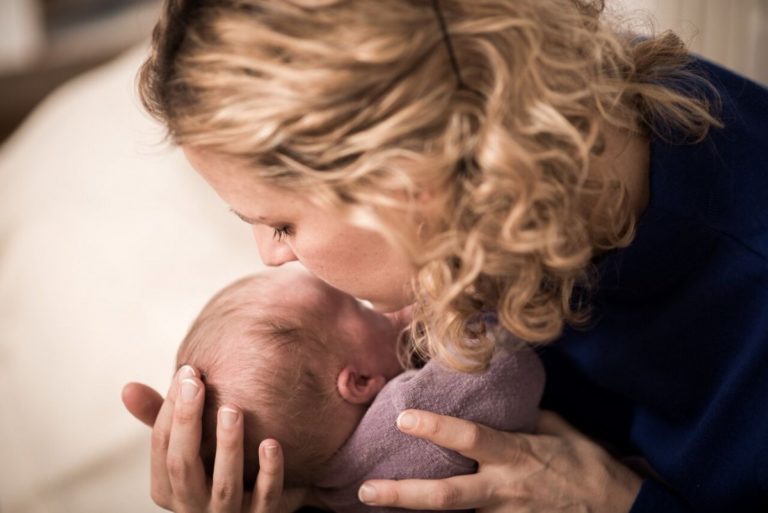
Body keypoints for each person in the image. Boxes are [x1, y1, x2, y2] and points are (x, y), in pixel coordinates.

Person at [121, 0, 768, 511]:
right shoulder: (512, 140)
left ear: (407, 175)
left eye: (281, 224)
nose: (269, 257)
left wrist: (620, 502)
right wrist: (299, 484)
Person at [171, 266, 544, 512]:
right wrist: (447, 314)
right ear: (360, 382)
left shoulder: (332, 491)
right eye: (362, 308)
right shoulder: (409, 412)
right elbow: (508, 366)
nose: (386, 306)